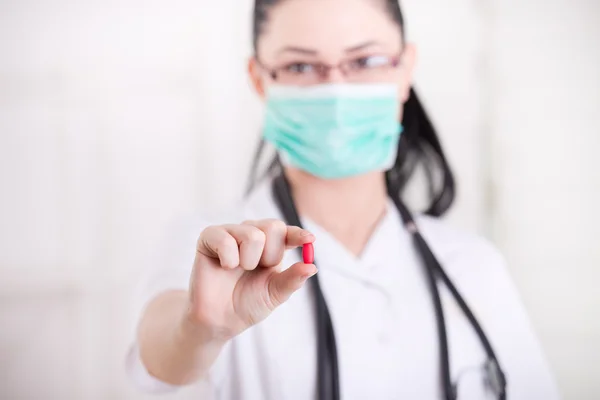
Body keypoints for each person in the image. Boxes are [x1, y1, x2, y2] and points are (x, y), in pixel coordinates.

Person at [126, 0, 561, 399]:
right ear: (259, 80)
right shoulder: (213, 250)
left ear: (405, 69)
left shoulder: (474, 267)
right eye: (300, 66)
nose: (335, 89)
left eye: (365, 61)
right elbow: (162, 355)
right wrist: (201, 329)